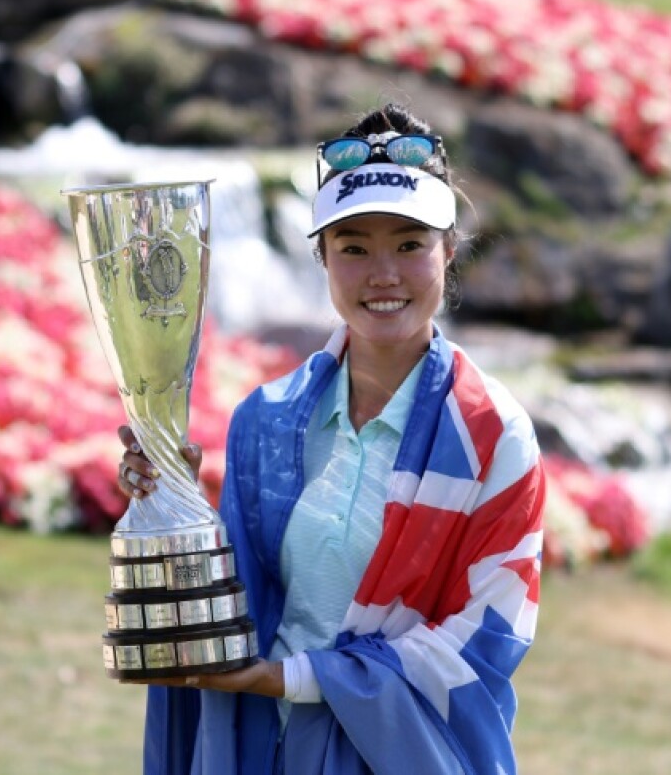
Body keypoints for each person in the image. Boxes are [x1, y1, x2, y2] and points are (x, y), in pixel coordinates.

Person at [116, 104, 547, 775]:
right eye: (354, 247)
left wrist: (288, 679)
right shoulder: (266, 418)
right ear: (319, 254)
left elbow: (485, 640)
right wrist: (171, 499)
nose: (383, 273)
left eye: (409, 244)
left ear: (449, 250)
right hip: (264, 750)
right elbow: (248, 595)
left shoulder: (491, 434)